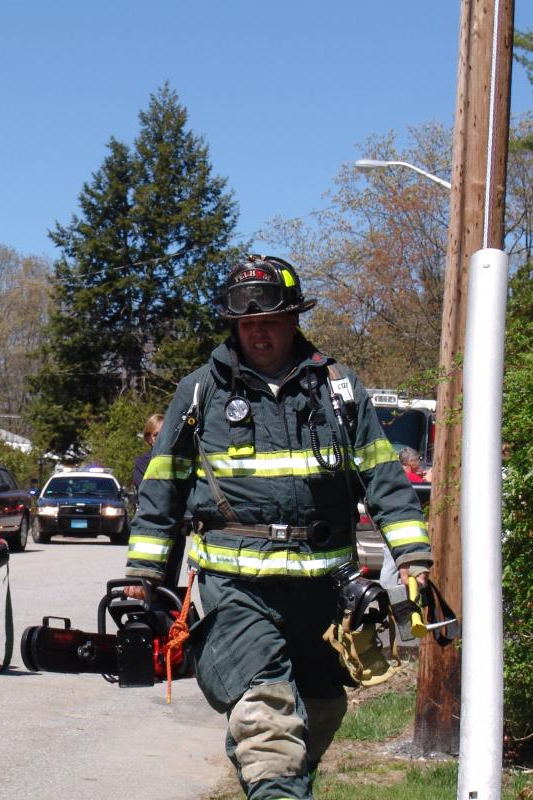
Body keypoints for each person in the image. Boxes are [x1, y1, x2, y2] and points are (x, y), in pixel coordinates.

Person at [123, 255, 432, 800]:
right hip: (236, 588)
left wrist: (412, 555)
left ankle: (278, 781)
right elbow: (163, 487)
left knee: (319, 712)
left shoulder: (337, 390)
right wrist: (145, 572)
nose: (257, 333)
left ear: (293, 320)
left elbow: (383, 475)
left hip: (322, 590)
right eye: (246, 324)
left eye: (268, 321)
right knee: (267, 719)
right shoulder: (201, 394)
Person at [131, 413, 165, 491]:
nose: (161, 437)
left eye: (164, 433)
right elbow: (147, 490)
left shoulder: (177, 458)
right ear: (149, 438)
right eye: (156, 434)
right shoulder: (142, 463)